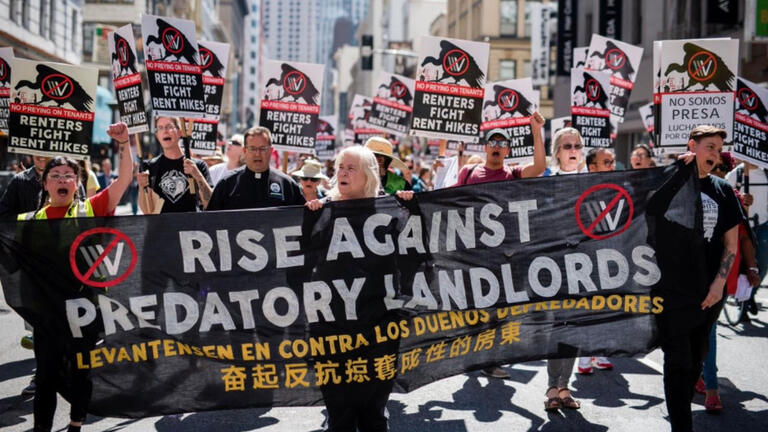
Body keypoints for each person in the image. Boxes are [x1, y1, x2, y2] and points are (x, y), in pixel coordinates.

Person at [18, 122, 134, 432]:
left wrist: (124, 144)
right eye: (55, 176)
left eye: (68, 176)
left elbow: (124, 180)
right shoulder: (28, 222)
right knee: (45, 376)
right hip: (47, 314)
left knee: (81, 371)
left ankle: (75, 426)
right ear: (44, 184)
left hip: (83, 310)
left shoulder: (88, 210)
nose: (62, 180)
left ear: (78, 182)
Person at [304, 145, 411, 432]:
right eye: (340, 167)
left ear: (367, 176)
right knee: (339, 410)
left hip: (378, 327)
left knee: (373, 411)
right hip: (332, 326)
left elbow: (419, 255)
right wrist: (309, 217)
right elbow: (299, 259)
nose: (343, 172)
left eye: (351, 168)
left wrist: (410, 210)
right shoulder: (322, 210)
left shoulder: (390, 211)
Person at [650, 125, 742, 432]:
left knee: (695, 361)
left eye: (718, 149)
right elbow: (650, 211)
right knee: (677, 362)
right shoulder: (669, 181)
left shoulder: (723, 190)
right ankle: (682, 426)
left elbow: (731, 244)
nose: (715, 154)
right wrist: (679, 173)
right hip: (671, 291)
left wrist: (719, 284)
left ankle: (682, 411)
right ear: (693, 146)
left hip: (708, 294)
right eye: (709, 147)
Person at [543, 126, 587, 411]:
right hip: (551, 265)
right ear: (557, 152)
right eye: (567, 146)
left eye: (577, 146)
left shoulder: (592, 181)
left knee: (573, 327)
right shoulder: (546, 181)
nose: (573, 151)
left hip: (582, 266)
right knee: (556, 326)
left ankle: (563, 386)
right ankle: (551, 386)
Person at [576, 147, 617, 375]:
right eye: (606, 162)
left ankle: (599, 351)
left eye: (612, 161)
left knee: (604, 307)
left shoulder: (619, 189)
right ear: (592, 167)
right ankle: (584, 355)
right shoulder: (582, 190)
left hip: (610, 257)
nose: (612, 166)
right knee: (586, 308)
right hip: (585, 258)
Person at [206, 126, 304, 211]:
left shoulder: (287, 185)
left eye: (262, 149)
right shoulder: (227, 184)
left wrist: (315, 206)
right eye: (252, 149)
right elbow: (210, 220)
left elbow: (304, 218)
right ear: (244, 150)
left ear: (271, 150)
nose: (257, 154)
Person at [137, 117, 213, 213]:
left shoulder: (198, 165)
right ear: (157, 135)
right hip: (162, 227)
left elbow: (210, 204)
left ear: (180, 132)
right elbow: (146, 210)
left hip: (192, 226)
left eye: (169, 127)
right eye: (160, 128)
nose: (165, 131)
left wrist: (197, 175)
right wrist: (141, 186)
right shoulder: (149, 167)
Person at [454, 112, 546, 187]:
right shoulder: (468, 172)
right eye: (492, 143)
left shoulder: (514, 173)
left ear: (507, 151)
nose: (497, 146)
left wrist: (536, 131)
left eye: (502, 144)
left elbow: (539, 168)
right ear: (485, 148)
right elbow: (450, 198)